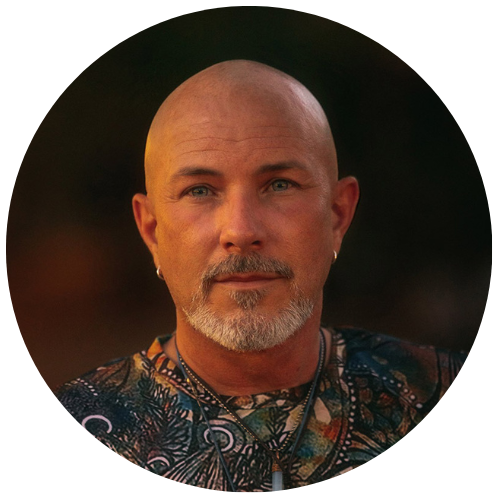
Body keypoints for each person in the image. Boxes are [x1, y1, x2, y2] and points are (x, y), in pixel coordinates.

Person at [54, 60, 467, 492]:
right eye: (200, 191)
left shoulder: (430, 392)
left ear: (337, 215)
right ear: (152, 230)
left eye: (280, 184)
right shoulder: (92, 422)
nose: (241, 230)